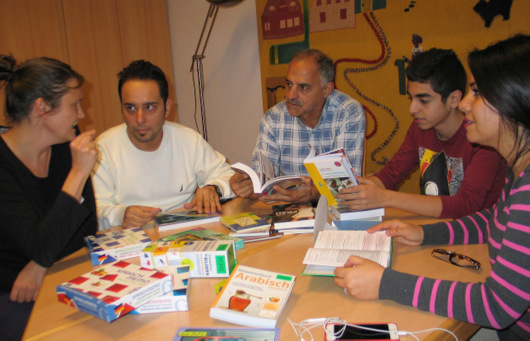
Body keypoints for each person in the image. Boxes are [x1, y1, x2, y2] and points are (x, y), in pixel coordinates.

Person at [334, 34, 530, 341]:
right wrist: (425, 233)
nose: (466, 103)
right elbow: (492, 220)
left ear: (513, 102)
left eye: (476, 93)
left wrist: (386, 283)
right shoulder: (519, 174)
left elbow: (496, 306)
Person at [337, 48, 506, 218]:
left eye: (423, 100)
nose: (412, 109)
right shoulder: (420, 128)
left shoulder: (484, 138)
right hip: (436, 226)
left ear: (454, 99)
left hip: (477, 235)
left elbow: (466, 204)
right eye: (411, 99)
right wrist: (359, 190)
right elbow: (392, 174)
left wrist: (385, 198)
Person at [0, 55, 98, 340]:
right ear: (42, 108)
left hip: (55, 271)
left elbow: (86, 228)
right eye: (75, 105)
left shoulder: (66, 144)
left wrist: (41, 263)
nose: (82, 115)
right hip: (13, 291)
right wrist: (78, 174)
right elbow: (38, 243)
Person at [93, 60, 234, 230]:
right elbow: (93, 213)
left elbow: (228, 176)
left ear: (167, 108)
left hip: (186, 235)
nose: (139, 119)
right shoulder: (103, 149)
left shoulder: (188, 140)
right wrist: (120, 214)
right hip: (132, 240)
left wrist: (214, 188)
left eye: (149, 107)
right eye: (130, 108)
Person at [230, 49, 365, 204]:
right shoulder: (273, 118)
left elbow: (346, 185)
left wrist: (313, 193)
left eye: (303, 87)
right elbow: (264, 183)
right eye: (289, 84)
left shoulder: (348, 113)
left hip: (335, 209)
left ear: (326, 90)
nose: (291, 95)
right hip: (289, 210)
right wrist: (248, 187)